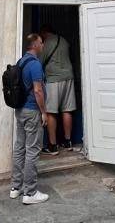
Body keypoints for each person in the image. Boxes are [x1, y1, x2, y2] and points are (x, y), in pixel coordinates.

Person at [10, 33, 50, 205]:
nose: (43, 45)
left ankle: (16, 187)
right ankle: (30, 192)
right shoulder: (35, 64)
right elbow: (38, 90)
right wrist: (44, 112)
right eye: (41, 42)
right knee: (32, 150)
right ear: (34, 45)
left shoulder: (21, 62)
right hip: (32, 111)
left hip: (20, 110)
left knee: (20, 148)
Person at [39, 24, 76, 155]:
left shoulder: (47, 43)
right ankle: (68, 142)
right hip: (69, 77)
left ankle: (52, 145)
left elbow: (40, 60)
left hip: (54, 79)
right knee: (67, 109)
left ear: (44, 33)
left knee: (51, 112)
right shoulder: (64, 40)